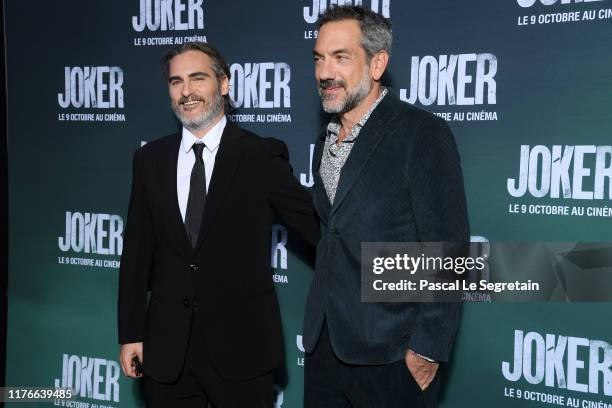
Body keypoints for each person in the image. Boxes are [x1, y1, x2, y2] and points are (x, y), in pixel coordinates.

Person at [117, 42, 319, 408]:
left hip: (243, 350)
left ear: (223, 84)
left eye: (198, 78)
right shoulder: (149, 159)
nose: (186, 91)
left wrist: (386, 265)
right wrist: (130, 332)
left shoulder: (259, 155)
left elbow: (319, 228)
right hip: (167, 350)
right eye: (176, 81)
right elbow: (136, 253)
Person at [303, 6, 470, 408]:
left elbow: (451, 249)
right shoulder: (327, 137)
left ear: (377, 63)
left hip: (392, 356)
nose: (325, 71)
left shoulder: (421, 133)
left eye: (341, 57)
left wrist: (426, 351)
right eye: (319, 58)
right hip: (325, 347)